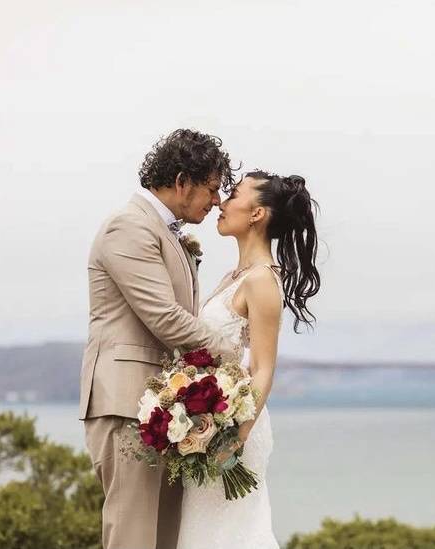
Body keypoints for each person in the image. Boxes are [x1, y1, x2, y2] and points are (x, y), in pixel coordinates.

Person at [80, 129, 238, 549]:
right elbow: (165, 318)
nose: (218, 200)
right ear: (182, 180)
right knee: (133, 536)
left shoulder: (168, 233)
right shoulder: (127, 227)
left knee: (167, 537)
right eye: (211, 188)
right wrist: (232, 356)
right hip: (126, 403)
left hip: (165, 410)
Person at [176, 171, 320, 549]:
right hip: (211, 424)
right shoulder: (234, 276)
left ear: (256, 214)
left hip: (234, 431)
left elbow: (263, 368)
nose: (221, 204)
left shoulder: (261, 280)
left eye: (233, 195)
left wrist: (234, 438)